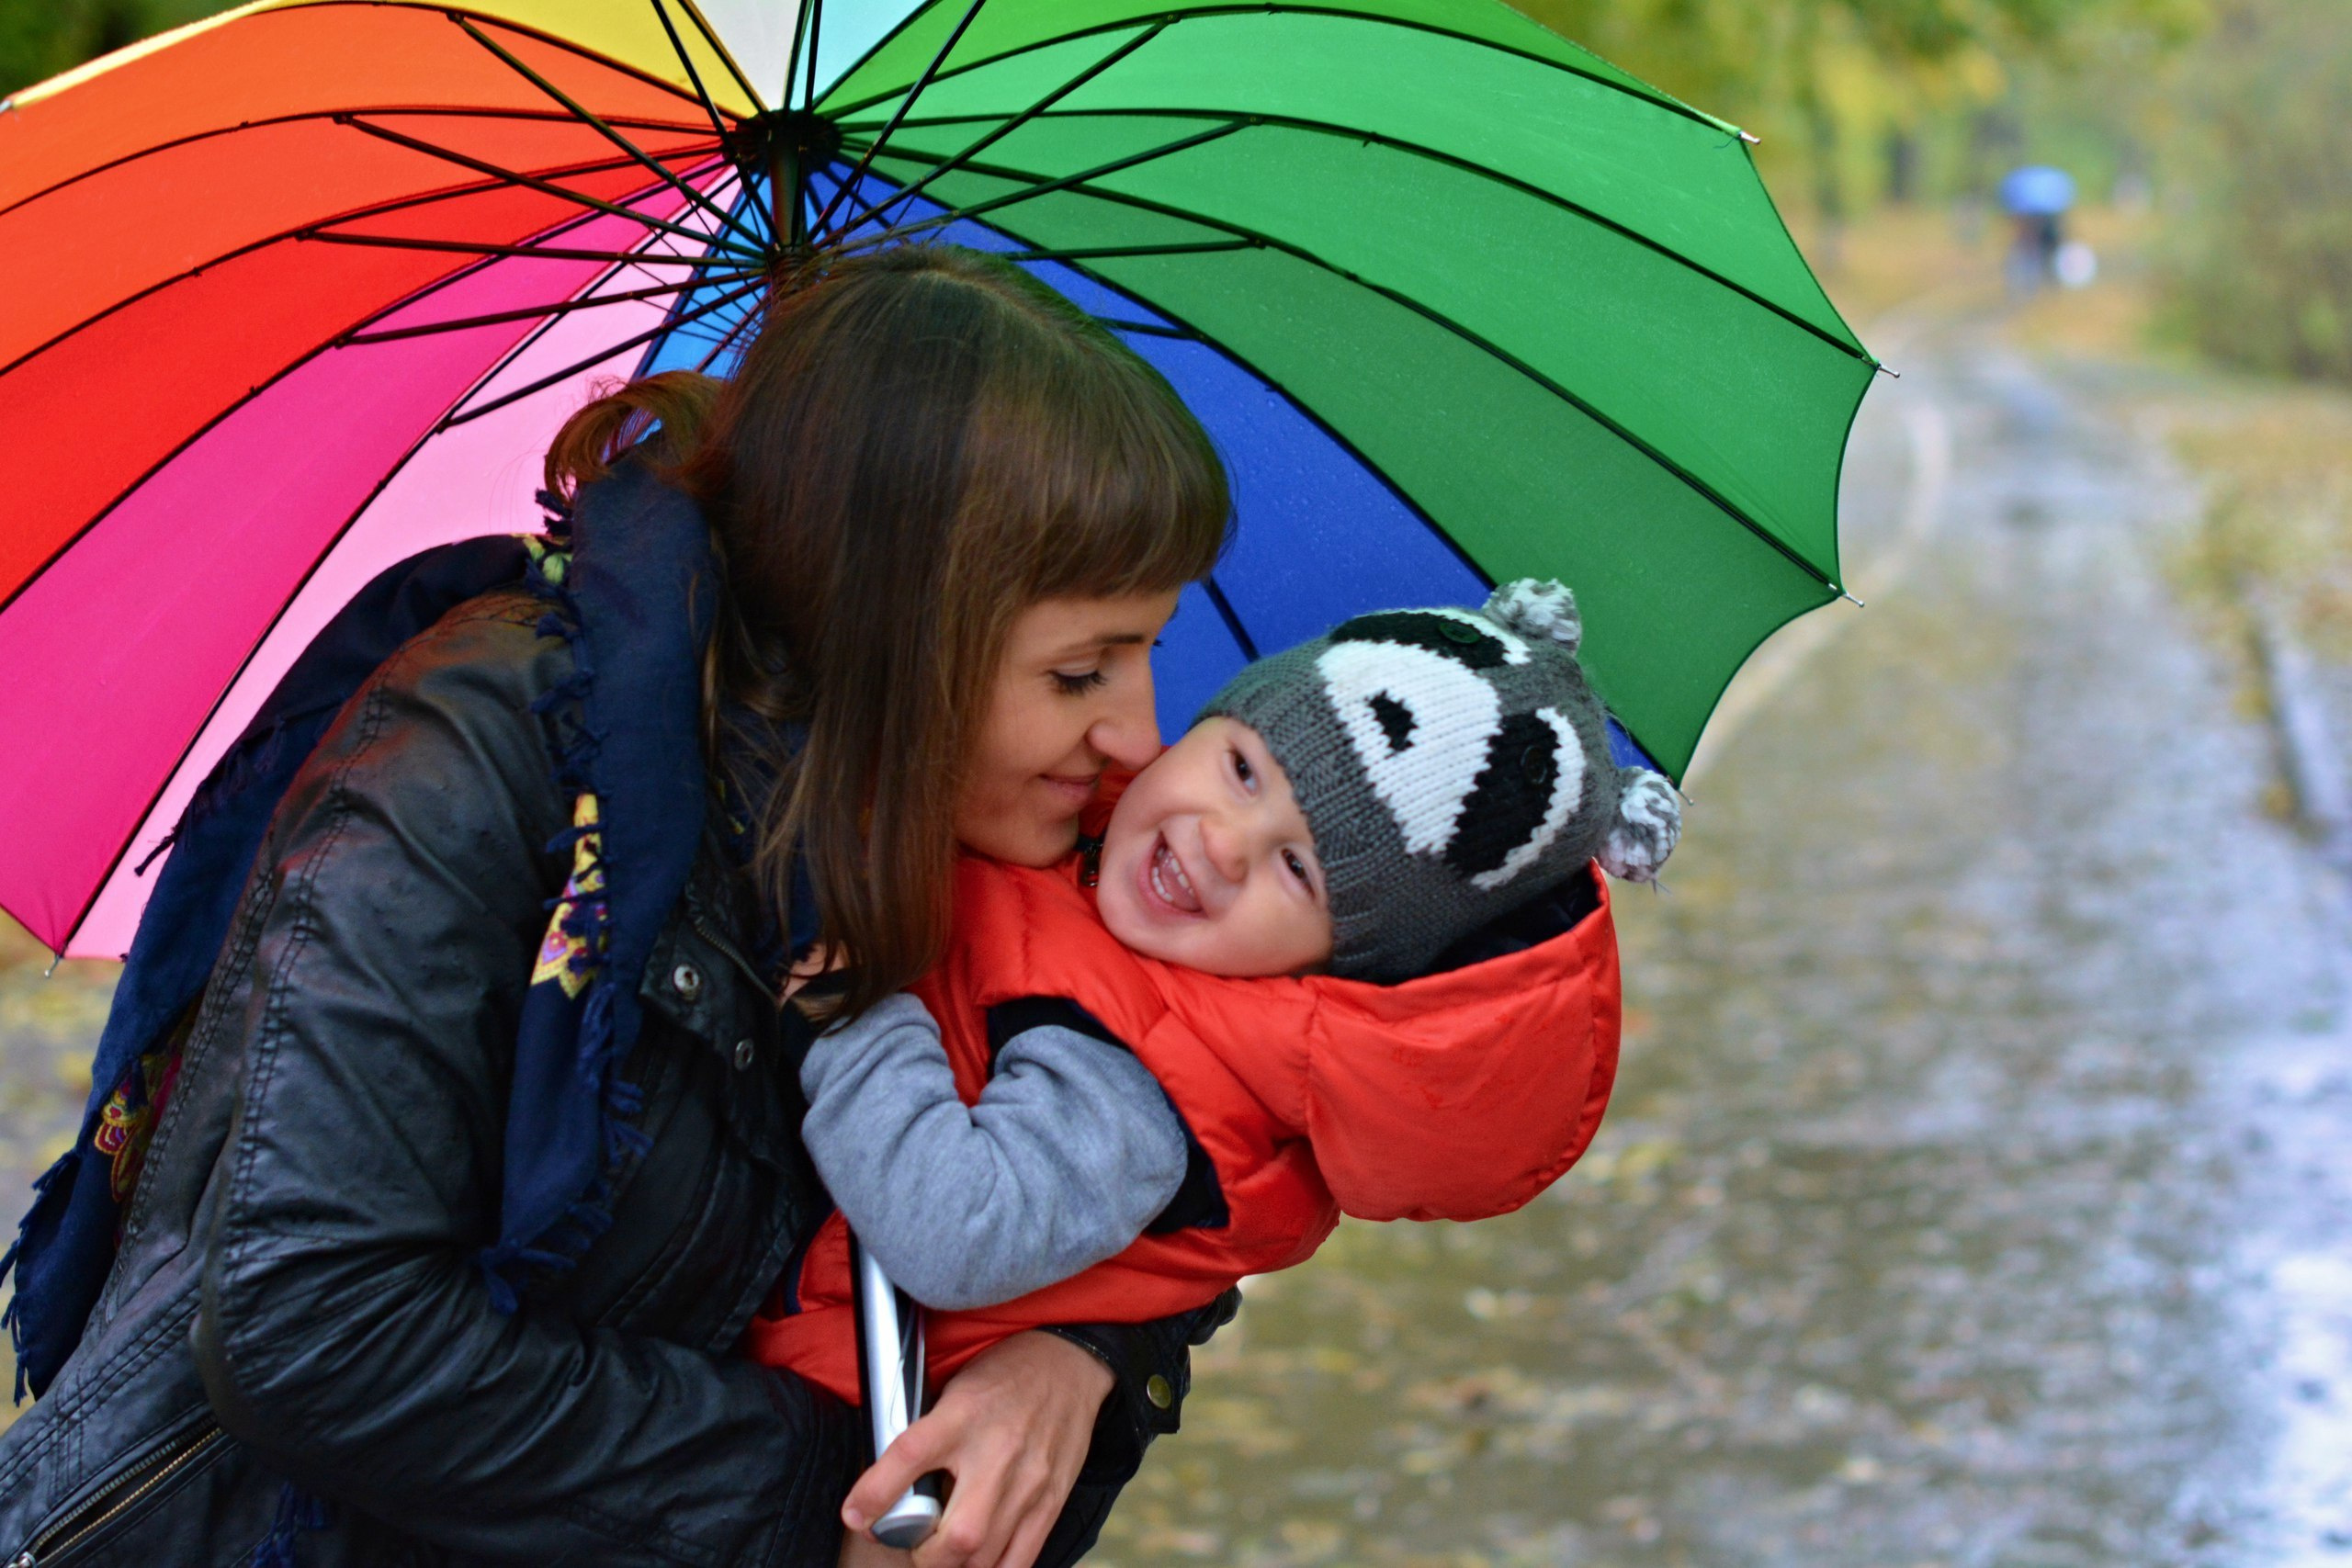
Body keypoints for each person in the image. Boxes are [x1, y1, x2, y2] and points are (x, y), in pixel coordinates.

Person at [0, 245, 1236, 1568]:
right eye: (1080, 668)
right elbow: (311, 1319)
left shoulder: (970, 839)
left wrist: (1087, 1351)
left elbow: (1220, 1109)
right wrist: (816, 1491)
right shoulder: (482, 755)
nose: (1136, 732)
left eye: (1147, 649)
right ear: (899, 625)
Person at [748, 581, 1682, 1525]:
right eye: (1242, 770)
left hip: (831, 1436)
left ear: (1328, 965)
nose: (1223, 844)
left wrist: (851, 1005)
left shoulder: (1150, 1079)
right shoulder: (1079, 847)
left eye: (1296, 870)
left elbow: (957, 1228)